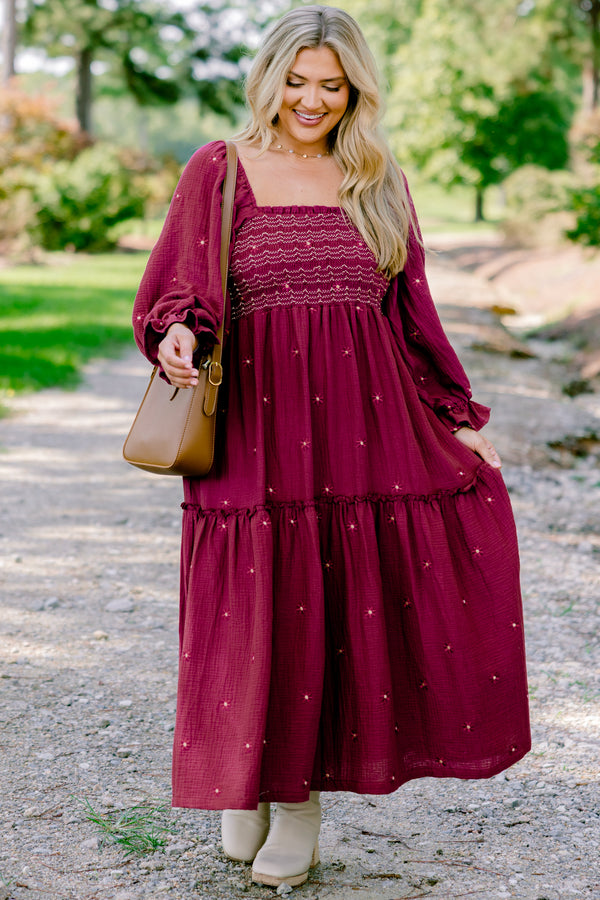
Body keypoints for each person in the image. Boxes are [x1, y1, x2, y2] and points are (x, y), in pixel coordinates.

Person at [132, 4, 530, 889]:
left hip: (360, 429)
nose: (312, 101)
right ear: (268, 78)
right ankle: (246, 780)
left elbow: (408, 314)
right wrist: (178, 335)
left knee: (325, 609)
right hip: (252, 433)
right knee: (252, 605)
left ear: (355, 91)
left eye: (332, 85)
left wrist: (457, 418)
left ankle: (300, 800)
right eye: (298, 82)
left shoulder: (377, 178)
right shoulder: (220, 170)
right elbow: (179, 290)